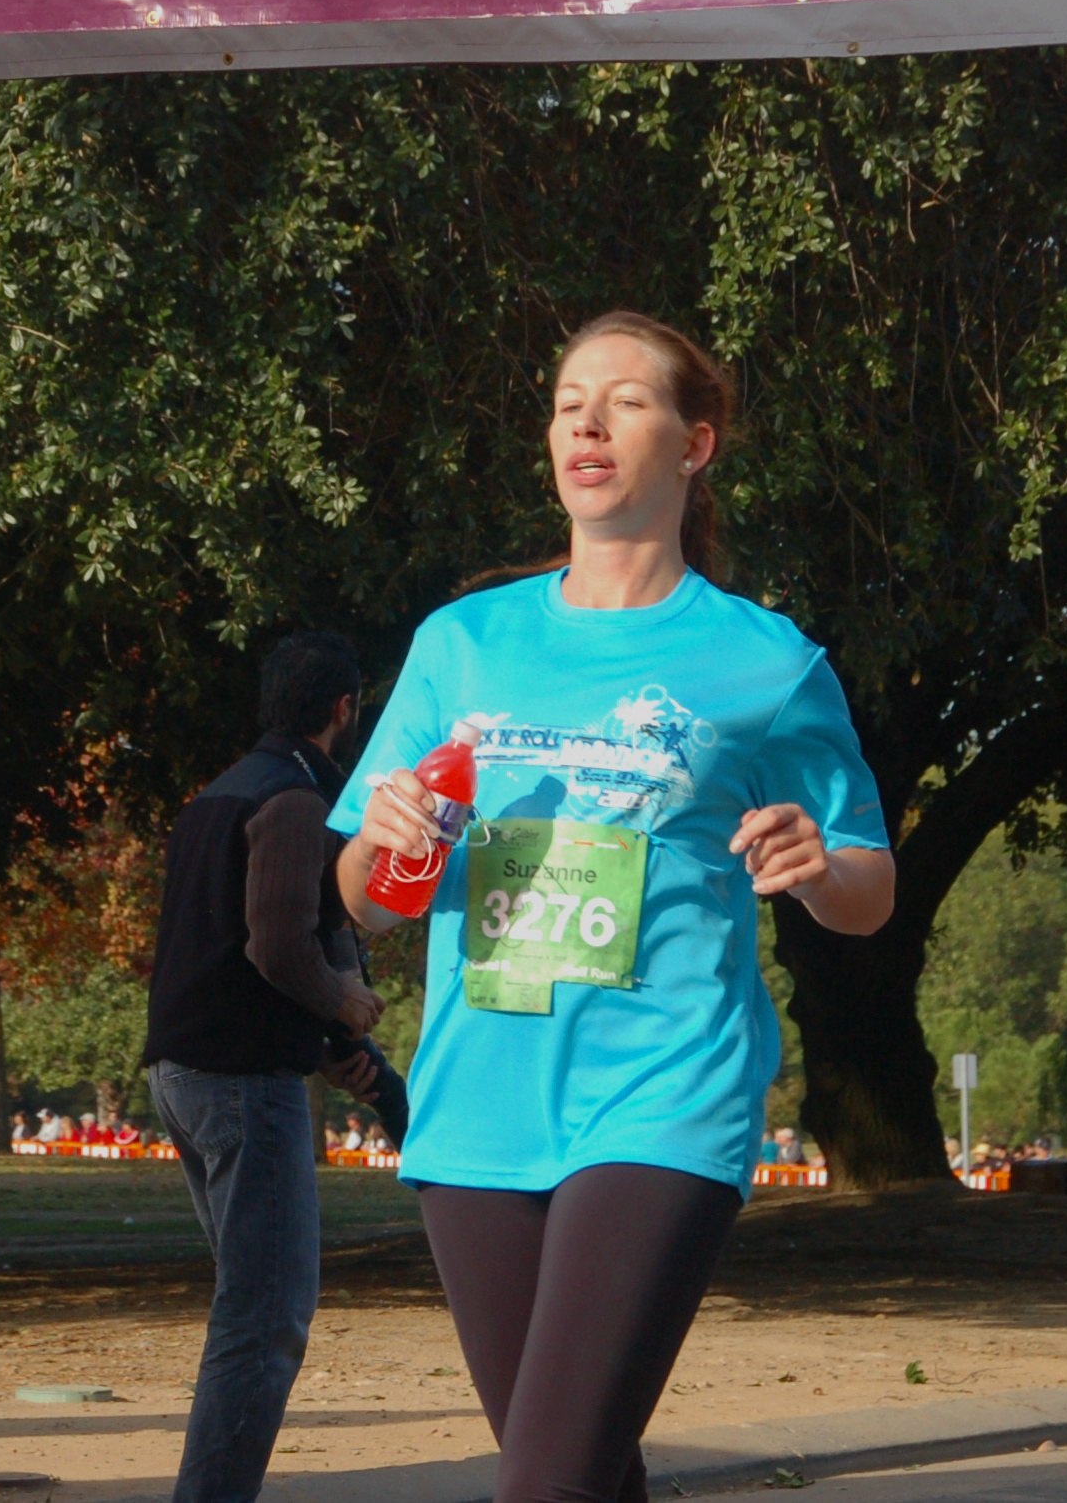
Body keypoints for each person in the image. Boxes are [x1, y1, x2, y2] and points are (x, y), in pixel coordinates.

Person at [331, 312, 895, 1503]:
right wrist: (387, 845)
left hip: (663, 1091)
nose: (585, 422)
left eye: (624, 401)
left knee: (545, 1478)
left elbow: (867, 890)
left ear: (694, 445)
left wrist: (816, 866)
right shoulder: (461, 643)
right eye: (566, 402)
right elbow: (366, 905)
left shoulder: (765, 662)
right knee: (583, 1472)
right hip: (477, 1101)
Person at [142, 628, 391, 1503]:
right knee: (265, 1316)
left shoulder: (216, 796)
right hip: (241, 1082)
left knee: (249, 1304)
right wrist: (343, 1004)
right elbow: (278, 949)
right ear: (344, 709)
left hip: (185, 1072)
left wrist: (329, 1048)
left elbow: (222, 955)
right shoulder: (292, 800)